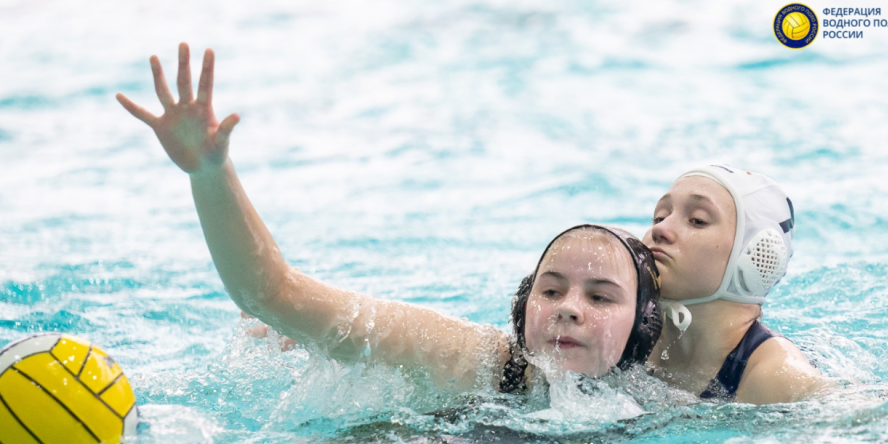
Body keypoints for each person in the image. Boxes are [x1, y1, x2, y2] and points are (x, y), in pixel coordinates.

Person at [116, 43, 663, 394]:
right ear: (523, 308)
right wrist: (209, 173)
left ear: (641, 328)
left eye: (600, 297)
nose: (568, 309)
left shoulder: (669, 405)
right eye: (551, 290)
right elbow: (272, 293)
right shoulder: (473, 361)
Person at [642, 164, 831, 404]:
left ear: (757, 254)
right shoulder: (626, 333)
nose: (660, 229)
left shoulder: (779, 378)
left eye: (697, 220)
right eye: (660, 217)